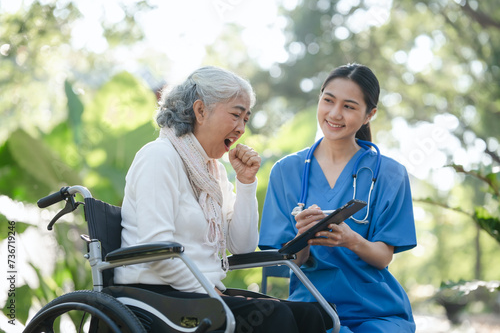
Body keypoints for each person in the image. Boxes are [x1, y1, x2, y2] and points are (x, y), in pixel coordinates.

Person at [114, 66, 331, 333]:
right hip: (156, 297)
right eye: (235, 115)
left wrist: (246, 182)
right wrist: (212, 293)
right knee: (276, 318)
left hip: (201, 294)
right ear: (201, 111)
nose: (241, 129)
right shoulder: (159, 157)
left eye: (245, 120)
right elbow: (157, 254)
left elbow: (242, 246)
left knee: (313, 316)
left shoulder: (212, 173)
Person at [259, 63, 417, 333]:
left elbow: (383, 258)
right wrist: (303, 238)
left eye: (349, 106)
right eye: (328, 101)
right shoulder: (286, 172)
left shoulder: (390, 174)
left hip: (377, 312)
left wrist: (352, 240)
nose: (334, 114)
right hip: (313, 308)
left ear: (370, 115)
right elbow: (288, 262)